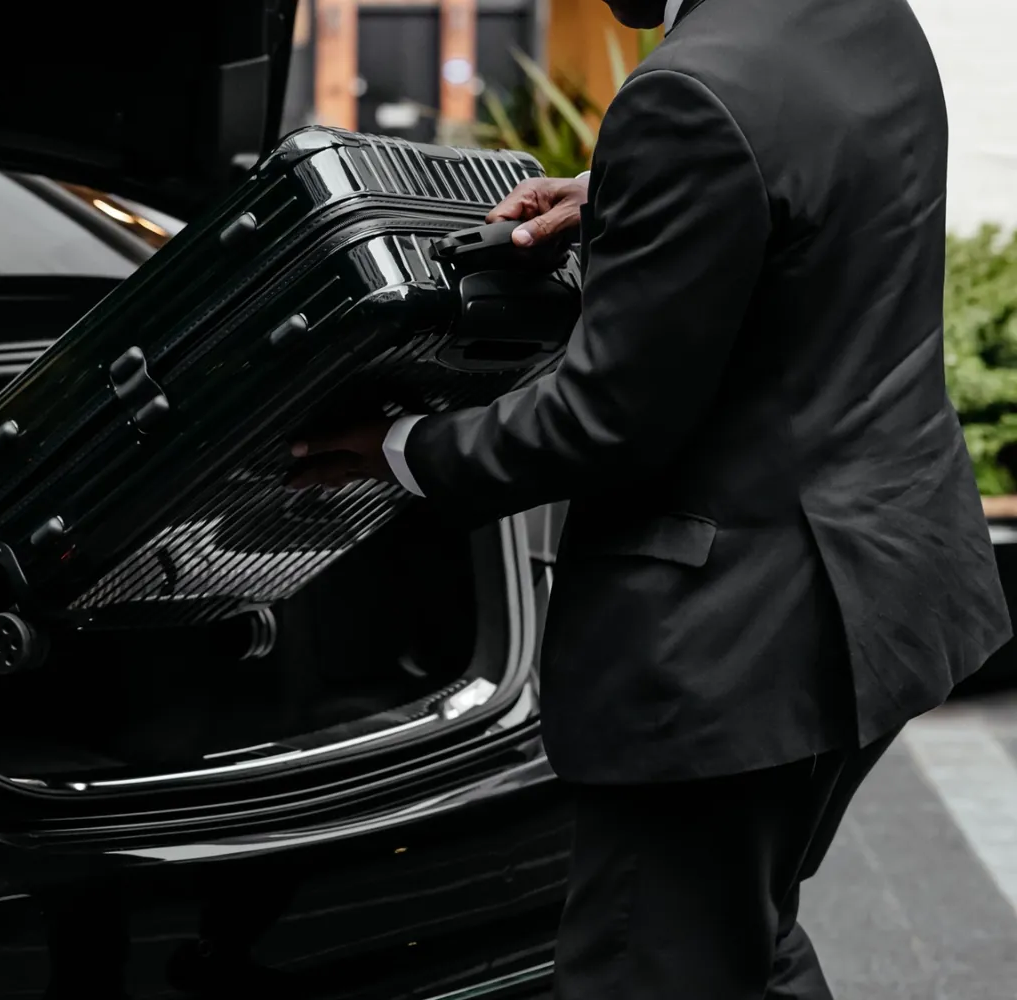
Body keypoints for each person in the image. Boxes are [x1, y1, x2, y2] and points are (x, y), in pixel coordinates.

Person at [285, 0, 1013, 996]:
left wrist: (400, 445)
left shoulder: (690, 92)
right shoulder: (861, 17)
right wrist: (619, 192)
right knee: (733, 940)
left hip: (736, 649)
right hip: (886, 591)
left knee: (648, 968)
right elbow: (803, 174)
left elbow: (602, 419)